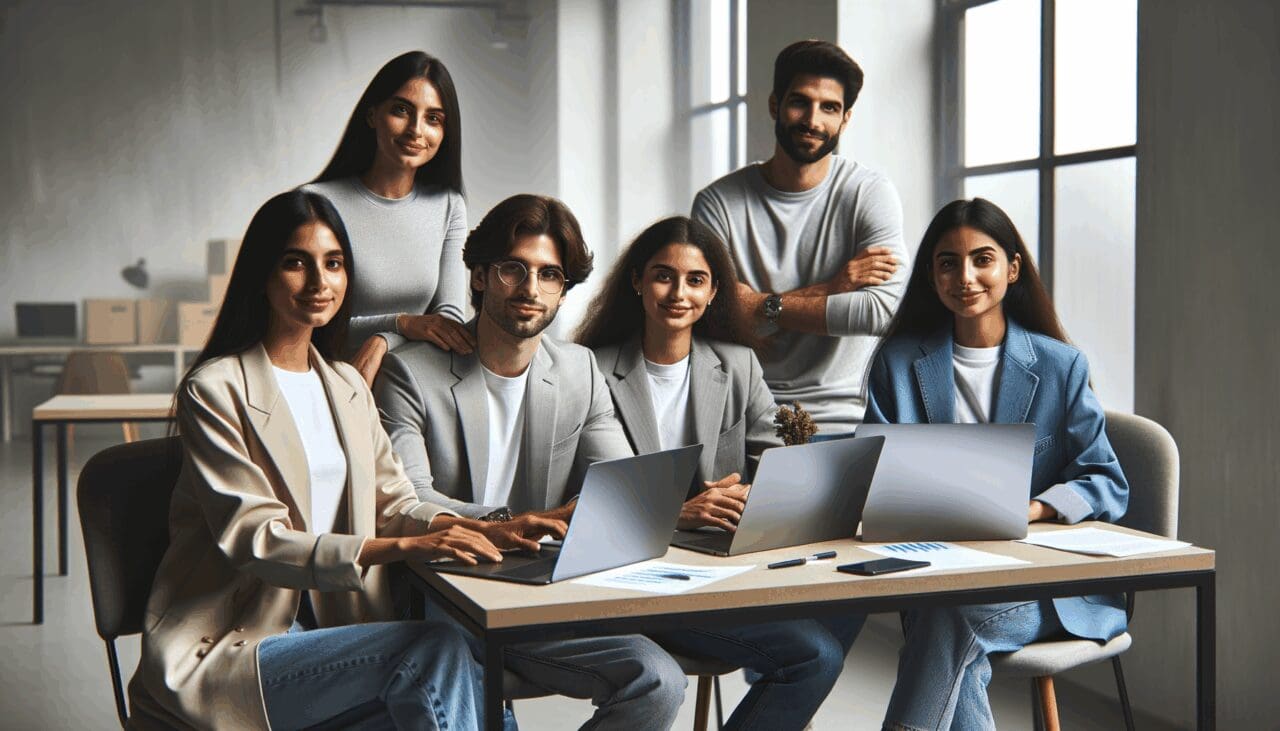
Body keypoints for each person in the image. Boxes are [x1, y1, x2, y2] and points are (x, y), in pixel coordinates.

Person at [127, 190, 551, 730]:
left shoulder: (348, 386)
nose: (318, 282)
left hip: (335, 635)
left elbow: (394, 502)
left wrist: (475, 526)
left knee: (471, 663)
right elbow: (257, 539)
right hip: (239, 646)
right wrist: (404, 545)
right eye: (294, 263)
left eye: (334, 264)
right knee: (433, 651)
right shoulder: (214, 390)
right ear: (262, 274)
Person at [373, 194, 686, 730]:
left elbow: (622, 487)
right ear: (478, 277)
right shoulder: (410, 374)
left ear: (564, 291)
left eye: (550, 275)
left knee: (658, 681)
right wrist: (502, 524)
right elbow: (410, 497)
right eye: (513, 269)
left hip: (541, 591)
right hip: (445, 592)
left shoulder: (578, 371)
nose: (530, 289)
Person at [577, 215, 851, 730]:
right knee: (815, 653)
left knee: (821, 648)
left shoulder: (738, 364)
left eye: (695, 280)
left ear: (713, 292)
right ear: (636, 281)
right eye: (663, 275)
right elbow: (598, 494)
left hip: (716, 575)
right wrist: (681, 512)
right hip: (625, 579)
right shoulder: (587, 367)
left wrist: (751, 492)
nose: (678, 292)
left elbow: (780, 465)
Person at [866, 198, 1129, 731]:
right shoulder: (897, 363)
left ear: (1011, 269)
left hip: (1045, 587)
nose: (965, 276)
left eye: (982, 259)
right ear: (931, 275)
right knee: (948, 624)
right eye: (947, 262)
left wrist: (1033, 507)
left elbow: (1106, 480)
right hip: (935, 573)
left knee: (949, 625)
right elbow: (871, 475)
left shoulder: (1060, 365)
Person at [692, 39, 909, 437]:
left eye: (829, 107)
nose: (813, 119)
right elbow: (716, 318)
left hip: (849, 415)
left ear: (845, 119)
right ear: (775, 105)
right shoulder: (718, 203)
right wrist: (834, 287)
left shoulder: (869, 192)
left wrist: (761, 305)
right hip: (745, 414)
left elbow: (882, 311)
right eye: (800, 102)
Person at [306, 50, 476, 385]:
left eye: (433, 119)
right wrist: (403, 323)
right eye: (401, 110)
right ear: (372, 115)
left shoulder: (448, 205)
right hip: (328, 382)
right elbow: (308, 321)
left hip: (414, 386)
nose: (416, 130)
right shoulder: (316, 203)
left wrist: (386, 338)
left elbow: (448, 322)